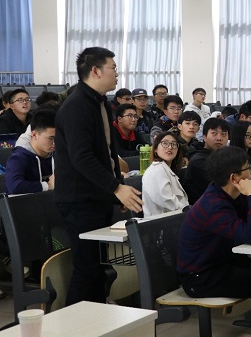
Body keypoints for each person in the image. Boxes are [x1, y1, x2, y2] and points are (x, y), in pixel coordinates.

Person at [55, 47, 142, 305]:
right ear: (95, 71)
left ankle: (95, 320)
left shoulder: (101, 102)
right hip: (79, 200)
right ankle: (73, 323)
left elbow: (108, 151)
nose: (117, 73)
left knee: (99, 269)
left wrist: (118, 191)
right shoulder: (76, 106)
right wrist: (116, 188)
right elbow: (81, 157)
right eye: (113, 68)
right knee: (87, 269)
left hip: (98, 195)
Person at [177, 146, 251, 328]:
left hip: (222, 263)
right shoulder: (214, 206)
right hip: (201, 278)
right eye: (248, 168)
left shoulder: (232, 195)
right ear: (234, 178)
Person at [5, 108, 56, 194]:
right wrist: (48, 186)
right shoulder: (18, 158)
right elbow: (14, 187)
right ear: (34, 134)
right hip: (26, 202)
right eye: (50, 138)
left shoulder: (58, 154)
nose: (55, 143)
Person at [183, 118, 230, 204]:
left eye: (223, 134)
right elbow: (220, 190)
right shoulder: (199, 161)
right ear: (204, 137)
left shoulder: (224, 157)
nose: (219, 138)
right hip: (204, 207)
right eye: (214, 133)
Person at [141, 131, 188, 217]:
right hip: (163, 222)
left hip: (176, 217)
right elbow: (168, 202)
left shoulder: (165, 169)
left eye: (174, 144)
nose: (170, 147)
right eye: (165, 143)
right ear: (155, 149)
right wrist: (190, 212)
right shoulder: (156, 171)